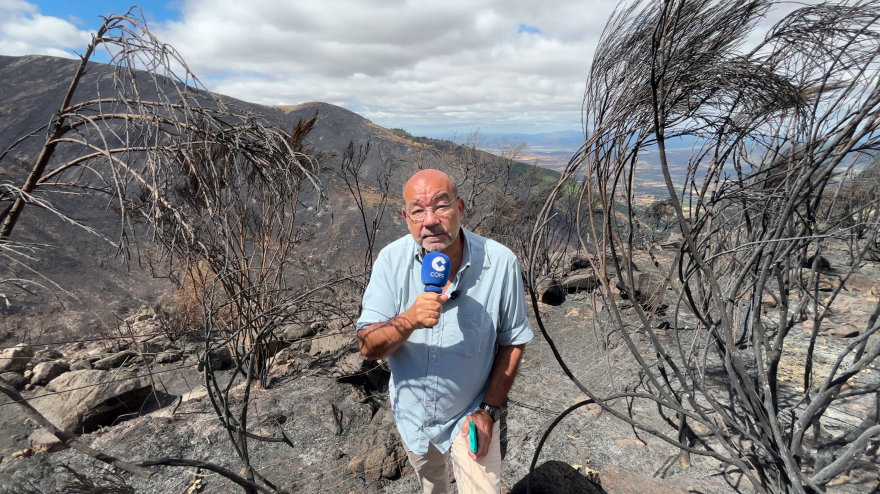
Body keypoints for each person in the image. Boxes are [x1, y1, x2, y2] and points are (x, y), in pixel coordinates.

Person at [356, 169, 533, 494]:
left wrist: (488, 411)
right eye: (418, 211)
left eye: (441, 206)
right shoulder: (390, 262)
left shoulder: (500, 262)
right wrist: (408, 320)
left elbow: (513, 342)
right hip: (414, 418)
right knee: (432, 487)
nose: (430, 220)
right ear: (406, 218)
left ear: (460, 208)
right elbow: (367, 346)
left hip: (471, 413)